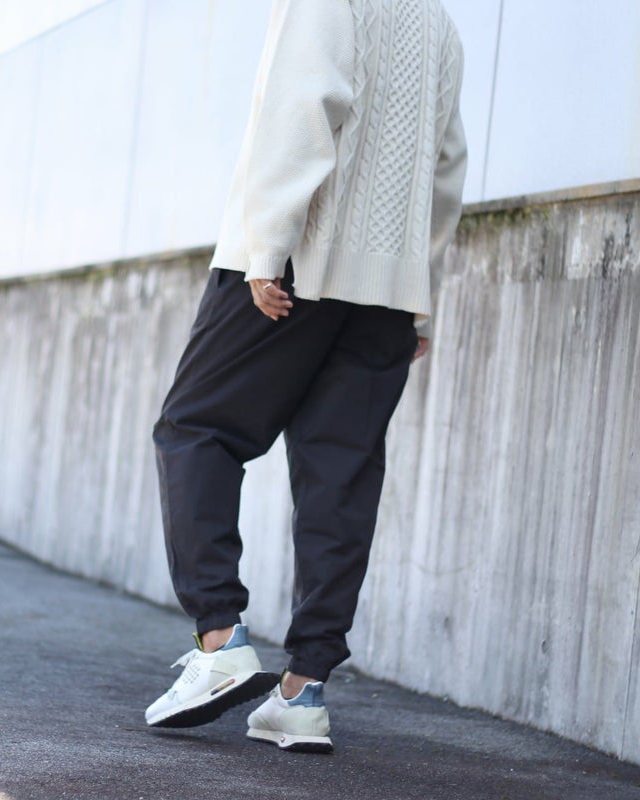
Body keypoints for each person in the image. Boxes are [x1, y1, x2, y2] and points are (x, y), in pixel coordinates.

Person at [146, 0, 467, 753]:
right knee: (340, 476)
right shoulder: (439, 24)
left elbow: (301, 106)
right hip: (387, 294)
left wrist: (267, 247)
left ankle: (220, 641)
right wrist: (419, 296)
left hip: (293, 268)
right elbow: (446, 164)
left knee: (195, 430)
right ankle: (304, 691)